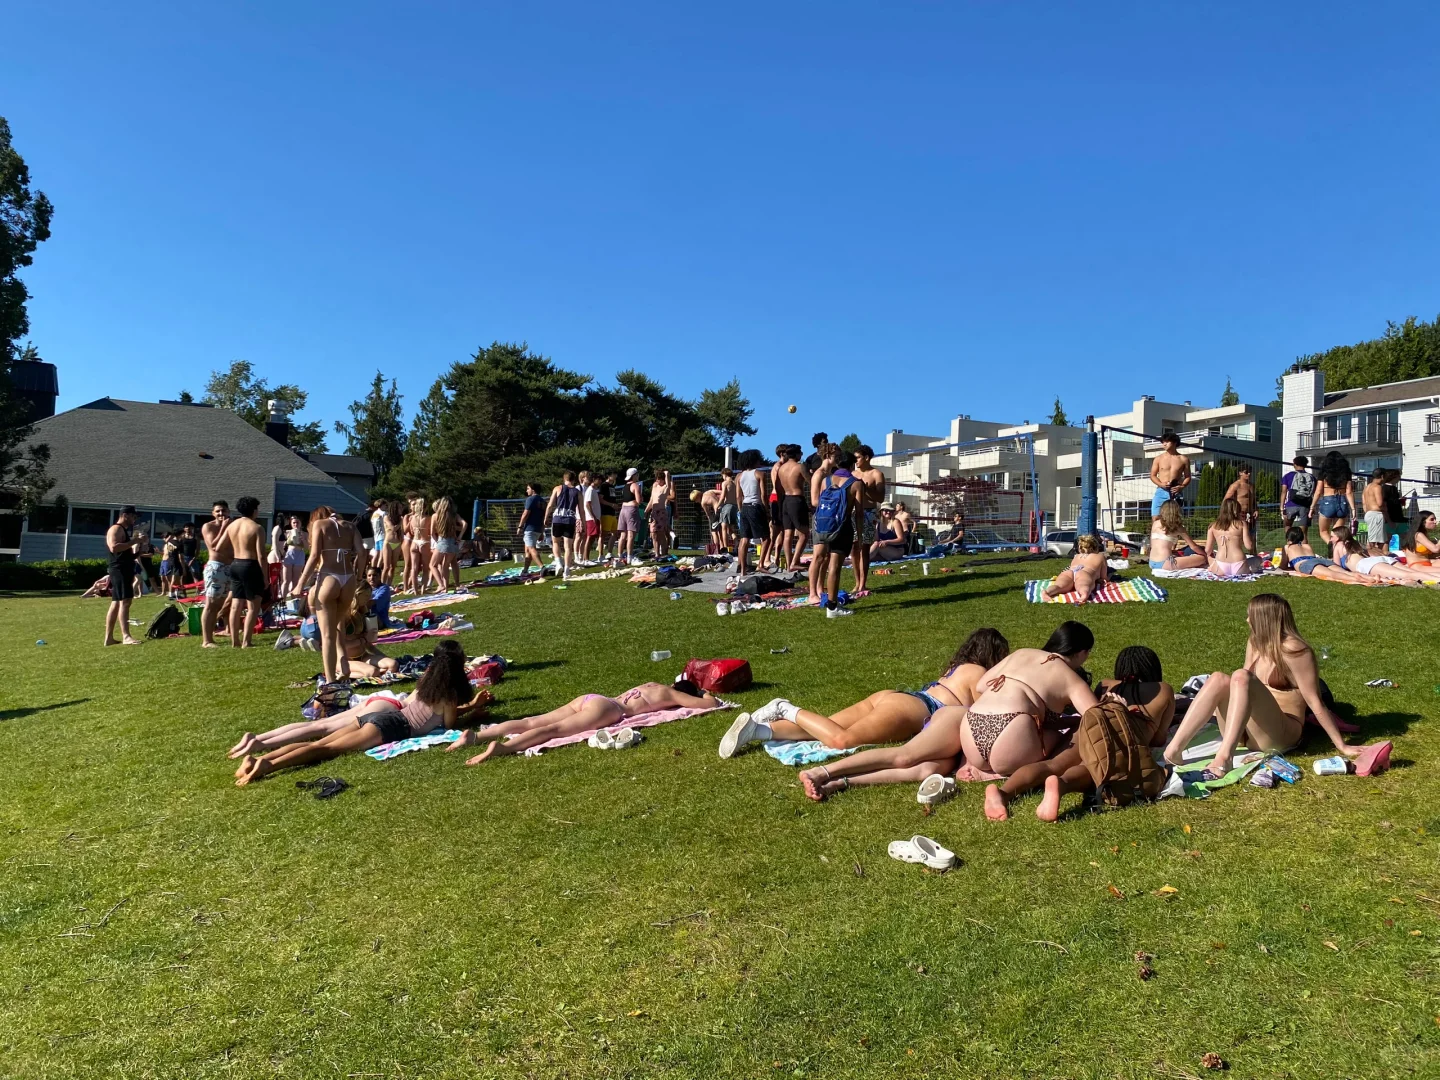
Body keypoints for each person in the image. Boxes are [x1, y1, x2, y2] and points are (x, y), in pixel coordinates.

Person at [798, 622, 1097, 802]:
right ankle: (984, 771)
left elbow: (982, 686)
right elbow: (1096, 718)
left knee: (920, 763)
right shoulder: (1068, 677)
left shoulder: (1022, 655)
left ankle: (834, 778)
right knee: (1070, 735)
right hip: (1000, 735)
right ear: (1081, 653)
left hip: (968, 725)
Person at [1161, 594, 1373, 779]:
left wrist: (1342, 745)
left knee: (1241, 676)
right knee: (1218, 678)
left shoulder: (1296, 651)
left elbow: (1314, 701)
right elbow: (1238, 686)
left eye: (1250, 615)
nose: (1246, 620)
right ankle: (1174, 750)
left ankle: (1224, 757)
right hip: (1248, 732)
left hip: (1282, 732)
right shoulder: (1255, 642)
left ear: (1264, 619)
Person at [719, 628, 1010, 756]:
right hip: (918, 709)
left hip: (897, 697)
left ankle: (756, 730)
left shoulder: (957, 668)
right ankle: (785, 707)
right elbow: (987, 714)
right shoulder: (979, 673)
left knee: (823, 728)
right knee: (840, 740)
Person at [234, 640, 485, 783]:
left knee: (320, 741)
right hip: (391, 726)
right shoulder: (449, 694)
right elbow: (449, 726)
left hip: (381, 716)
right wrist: (473, 713)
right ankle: (267, 766)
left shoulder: (428, 681)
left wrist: (470, 707)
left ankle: (260, 760)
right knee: (326, 750)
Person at [986, 645, 1174, 822]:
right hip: (1123, 735)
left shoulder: (1106, 684)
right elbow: (1159, 739)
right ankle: (1061, 785)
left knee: (1053, 764)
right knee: (1094, 767)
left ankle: (1003, 792)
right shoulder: (1164, 689)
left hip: (1088, 727)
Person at [450, 680, 718, 764]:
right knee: (552, 731)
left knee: (531, 720)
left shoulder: (651, 684)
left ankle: (474, 737)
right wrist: (704, 693)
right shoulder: (670, 693)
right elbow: (709, 705)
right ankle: (503, 748)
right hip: (609, 709)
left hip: (592, 698)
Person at [294, 505, 367, 685]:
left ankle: (331, 681)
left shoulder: (320, 524)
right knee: (339, 627)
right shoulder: (350, 526)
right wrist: (358, 576)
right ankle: (345, 667)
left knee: (327, 636)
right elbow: (362, 552)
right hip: (348, 579)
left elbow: (314, 556)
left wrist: (299, 584)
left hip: (329, 578)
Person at [809, 445, 861, 618]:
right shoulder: (855, 484)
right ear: (852, 465)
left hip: (824, 525)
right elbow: (859, 513)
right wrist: (859, 536)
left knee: (821, 560)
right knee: (835, 566)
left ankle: (822, 596)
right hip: (842, 527)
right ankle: (832, 606)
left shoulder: (826, 480)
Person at [223, 496, 268, 649]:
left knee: (236, 604)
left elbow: (221, 547)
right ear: (254, 510)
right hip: (250, 565)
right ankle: (246, 641)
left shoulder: (232, 526)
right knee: (253, 606)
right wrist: (265, 576)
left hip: (235, 564)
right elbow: (261, 555)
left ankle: (235, 641)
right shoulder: (256, 528)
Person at [1330, 525, 1436, 585]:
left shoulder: (1338, 545)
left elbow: (1336, 566)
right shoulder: (1355, 543)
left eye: (1332, 537)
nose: (1331, 539)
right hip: (1380, 559)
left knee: (1407, 575)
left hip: (1367, 564)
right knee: (1412, 572)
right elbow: (1372, 552)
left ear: (1338, 537)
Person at [336, 582, 398, 679]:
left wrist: (384, 656)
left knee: (393, 664)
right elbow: (341, 644)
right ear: (356, 594)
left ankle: (376, 673)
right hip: (344, 660)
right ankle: (338, 673)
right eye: (365, 595)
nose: (368, 598)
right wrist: (364, 640)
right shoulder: (343, 616)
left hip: (363, 655)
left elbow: (368, 644)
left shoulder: (364, 612)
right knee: (372, 672)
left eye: (369, 595)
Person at [1280, 526, 1375, 584]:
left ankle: (1361, 580)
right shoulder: (1307, 546)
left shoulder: (1287, 547)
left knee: (1332, 575)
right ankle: (1372, 577)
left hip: (1306, 564)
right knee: (1346, 572)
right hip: (1320, 560)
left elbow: (1283, 566)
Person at [103, 506, 141, 646]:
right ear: (125, 515)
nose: (134, 520)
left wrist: (139, 549)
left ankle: (109, 638)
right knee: (126, 601)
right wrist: (134, 541)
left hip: (123, 567)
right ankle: (126, 636)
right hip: (119, 569)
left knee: (116, 602)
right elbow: (114, 547)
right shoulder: (116, 529)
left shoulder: (123, 530)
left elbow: (125, 554)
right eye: (133, 516)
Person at [850, 444, 886, 592]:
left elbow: (881, 497)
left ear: (866, 457)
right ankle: (857, 582)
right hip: (852, 512)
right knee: (853, 548)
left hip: (868, 512)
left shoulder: (876, 474)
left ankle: (863, 584)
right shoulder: (853, 474)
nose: (855, 460)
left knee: (864, 548)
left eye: (858, 457)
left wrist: (866, 489)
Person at [773, 443, 810, 573]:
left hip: (785, 500)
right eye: (800, 453)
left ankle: (789, 564)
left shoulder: (781, 469)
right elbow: (811, 481)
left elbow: (778, 488)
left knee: (787, 533)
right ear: (796, 454)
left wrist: (780, 503)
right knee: (805, 533)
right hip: (797, 499)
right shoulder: (800, 467)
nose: (802, 455)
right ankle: (795, 561)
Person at [199, 501, 232, 648]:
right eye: (218, 511)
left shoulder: (233, 525)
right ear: (213, 513)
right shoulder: (208, 526)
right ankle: (206, 640)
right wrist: (224, 527)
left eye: (223, 511)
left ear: (229, 511)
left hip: (230, 567)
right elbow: (214, 546)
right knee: (211, 604)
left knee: (223, 604)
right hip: (216, 567)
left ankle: (226, 630)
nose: (221, 514)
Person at [1310, 451, 1356, 553]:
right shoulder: (1346, 472)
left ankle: (1333, 547)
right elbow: (1349, 492)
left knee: (1323, 531)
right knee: (1337, 534)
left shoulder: (1324, 472)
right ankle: (1339, 550)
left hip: (1327, 501)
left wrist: (1312, 507)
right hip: (1342, 501)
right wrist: (1353, 509)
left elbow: (1318, 491)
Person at [736, 451, 770, 578]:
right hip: (756, 506)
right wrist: (766, 510)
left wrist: (740, 510)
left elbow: (738, 496)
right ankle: (760, 564)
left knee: (744, 539)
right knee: (766, 538)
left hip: (744, 507)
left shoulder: (739, 476)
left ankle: (743, 569)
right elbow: (763, 495)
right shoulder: (760, 474)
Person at [1147, 501, 1208, 571]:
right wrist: (1205, 555)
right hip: (1166, 563)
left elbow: (1153, 544)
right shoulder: (1178, 527)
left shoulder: (1155, 523)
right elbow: (1193, 547)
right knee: (1201, 558)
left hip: (1151, 562)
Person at [1043, 534, 1108, 599]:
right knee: (1083, 586)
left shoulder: (1076, 556)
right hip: (1084, 573)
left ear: (1080, 548)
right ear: (1096, 547)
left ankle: (1047, 592)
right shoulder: (1100, 556)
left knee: (1059, 586)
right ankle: (1083, 596)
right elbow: (1103, 577)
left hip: (1069, 572)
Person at [1204, 498, 1253, 578]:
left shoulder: (1213, 526)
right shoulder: (1242, 524)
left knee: (1209, 557)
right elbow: (1249, 546)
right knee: (1258, 559)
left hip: (1220, 565)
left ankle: (1213, 567)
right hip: (1239, 564)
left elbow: (1207, 550)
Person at [545, 472, 582, 580]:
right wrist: (582, 522)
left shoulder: (557, 488)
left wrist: (546, 517)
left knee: (555, 542)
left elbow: (551, 504)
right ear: (574, 479)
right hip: (570, 520)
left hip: (557, 518)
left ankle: (558, 562)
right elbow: (581, 510)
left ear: (564, 478)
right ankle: (566, 569)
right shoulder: (578, 492)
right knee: (568, 547)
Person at [1149, 431, 1191, 516]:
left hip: (1175, 492)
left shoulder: (1184, 459)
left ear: (1175, 442)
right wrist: (1161, 484)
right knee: (1156, 517)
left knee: (1175, 519)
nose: (1164, 444)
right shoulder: (1158, 459)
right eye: (1163, 442)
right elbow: (1152, 475)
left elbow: (1188, 477)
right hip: (1161, 491)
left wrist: (1181, 486)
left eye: (1167, 442)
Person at [428, 496, 463, 592]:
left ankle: (441, 585)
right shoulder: (454, 515)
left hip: (442, 541)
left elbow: (432, 533)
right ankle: (452, 585)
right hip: (453, 542)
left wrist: (437, 542)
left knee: (432, 565)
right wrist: (460, 537)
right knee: (447, 564)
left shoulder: (436, 516)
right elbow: (465, 524)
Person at [1223, 464, 1258, 553]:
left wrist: (1256, 509)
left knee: (1252, 537)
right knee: (1238, 537)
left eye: (1250, 472)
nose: (1249, 474)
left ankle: (1253, 555)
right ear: (1240, 473)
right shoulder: (1235, 485)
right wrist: (1231, 513)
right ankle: (1236, 555)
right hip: (1239, 514)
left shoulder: (1251, 485)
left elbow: (1253, 500)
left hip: (1250, 515)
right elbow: (1226, 501)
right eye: (1246, 472)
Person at [516, 482, 546, 575]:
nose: (526, 490)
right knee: (527, 550)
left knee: (531, 548)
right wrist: (542, 531)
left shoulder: (530, 499)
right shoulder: (543, 501)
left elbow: (525, 513)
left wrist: (520, 526)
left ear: (533, 490)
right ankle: (525, 570)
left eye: (528, 488)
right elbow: (544, 517)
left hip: (530, 528)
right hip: (538, 528)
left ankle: (542, 567)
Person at [1281, 455, 1314, 537]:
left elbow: (1284, 492)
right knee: (1304, 534)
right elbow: (1314, 493)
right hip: (1305, 506)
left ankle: (1291, 544)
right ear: (1305, 465)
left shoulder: (1288, 476)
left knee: (1287, 526)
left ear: (1294, 464)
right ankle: (1303, 547)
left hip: (1291, 504)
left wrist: (1282, 507)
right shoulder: (1311, 477)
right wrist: (1312, 507)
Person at [617, 468, 644, 565]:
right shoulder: (635, 486)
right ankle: (629, 557)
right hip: (631, 510)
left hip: (623, 510)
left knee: (622, 535)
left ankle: (619, 557)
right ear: (634, 475)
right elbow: (638, 501)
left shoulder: (624, 486)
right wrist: (641, 497)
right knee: (631, 535)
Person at [404, 496, 431, 595]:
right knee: (425, 568)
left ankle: (415, 590)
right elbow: (431, 531)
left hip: (414, 542)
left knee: (414, 568)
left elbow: (410, 531)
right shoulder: (428, 518)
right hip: (424, 542)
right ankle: (423, 588)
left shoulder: (412, 518)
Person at [647, 468, 674, 558]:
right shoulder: (655, 486)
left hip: (661, 513)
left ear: (662, 479)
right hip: (654, 512)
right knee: (653, 533)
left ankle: (664, 553)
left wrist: (666, 474)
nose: (657, 481)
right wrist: (646, 510)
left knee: (661, 533)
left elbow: (668, 483)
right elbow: (651, 500)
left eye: (659, 479)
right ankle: (656, 553)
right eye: (657, 479)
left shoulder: (665, 488)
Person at [1361, 468, 1388, 554]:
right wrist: (1385, 507)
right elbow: (1379, 503)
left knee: (1379, 539)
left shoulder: (1367, 487)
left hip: (1368, 514)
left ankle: (1378, 556)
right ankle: (1369, 557)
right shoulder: (1377, 487)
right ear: (1382, 476)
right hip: (1376, 514)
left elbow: (1364, 503)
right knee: (1373, 541)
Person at [578, 470, 602, 565]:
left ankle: (586, 558)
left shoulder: (593, 490)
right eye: (598, 479)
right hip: (591, 518)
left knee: (592, 537)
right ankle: (586, 559)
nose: (600, 481)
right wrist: (593, 516)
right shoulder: (590, 490)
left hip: (595, 517)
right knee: (590, 537)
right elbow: (587, 504)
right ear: (594, 480)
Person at [599, 471, 621, 562]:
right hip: (606, 512)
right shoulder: (604, 485)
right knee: (603, 534)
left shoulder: (612, 486)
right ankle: (600, 555)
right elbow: (601, 499)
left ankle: (609, 552)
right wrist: (611, 505)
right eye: (613, 474)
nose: (615, 475)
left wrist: (615, 506)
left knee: (615, 533)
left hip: (612, 513)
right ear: (608, 475)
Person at [717, 467, 738, 553]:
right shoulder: (735, 483)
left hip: (727, 506)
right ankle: (737, 543)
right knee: (731, 529)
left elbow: (722, 496)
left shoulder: (725, 483)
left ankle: (725, 548)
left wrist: (718, 506)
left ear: (724, 474)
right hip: (734, 506)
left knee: (724, 527)